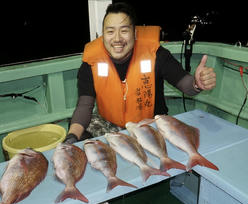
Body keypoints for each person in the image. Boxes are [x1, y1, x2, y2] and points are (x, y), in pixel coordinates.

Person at [64, 2, 216, 144]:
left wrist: (197, 83)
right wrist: (71, 138)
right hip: (110, 124)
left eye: (124, 31)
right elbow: (84, 105)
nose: (117, 39)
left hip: (150, 123)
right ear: (103, 34)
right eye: (110, 31)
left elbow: (184, 83)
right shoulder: (91, 63)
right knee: (78, 131)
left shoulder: (157, 55)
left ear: (135, 33)